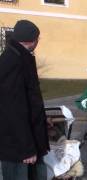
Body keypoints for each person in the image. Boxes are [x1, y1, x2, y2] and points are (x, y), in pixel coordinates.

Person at [0, 20, 50, 180]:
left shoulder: (19, 56)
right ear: (32, 40)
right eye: (38, 39)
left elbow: (28, 99)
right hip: (18, 147)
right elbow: (12, 109)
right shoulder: (12, 61)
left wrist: (42, 119)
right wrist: (26, 148)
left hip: (29, 138)